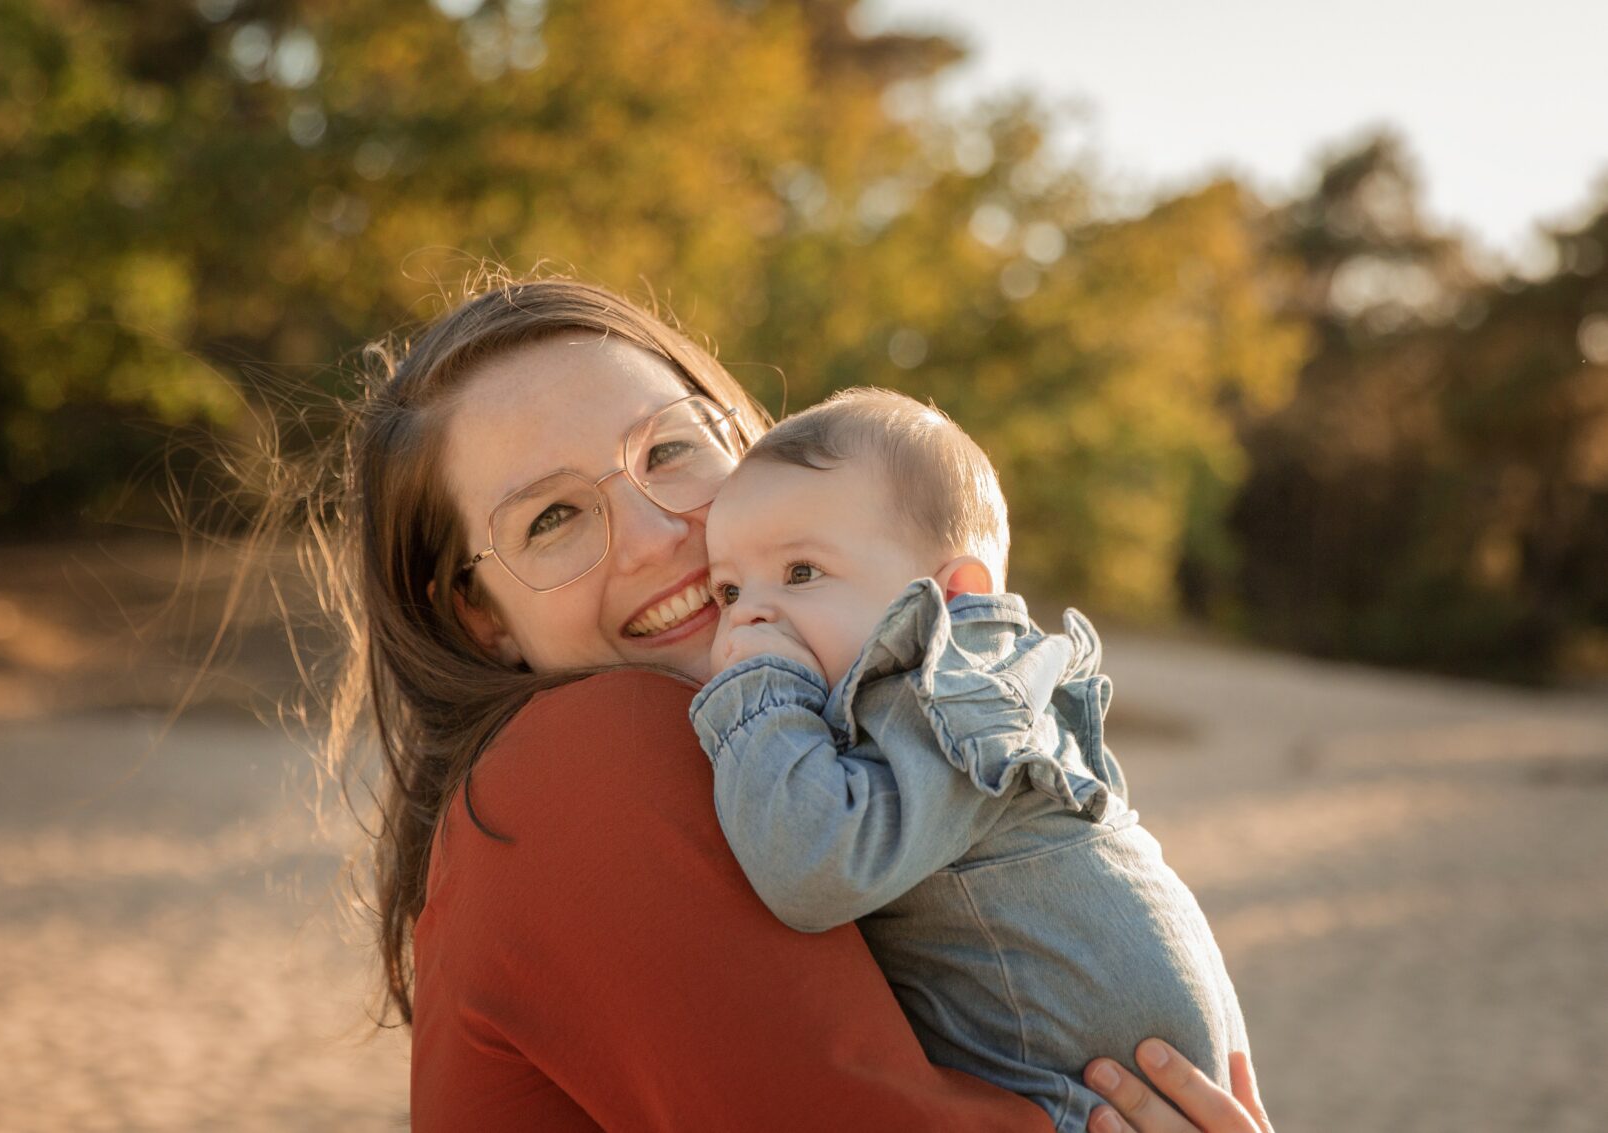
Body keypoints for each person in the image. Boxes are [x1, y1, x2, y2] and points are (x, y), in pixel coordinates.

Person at [326, 273, 1272, 1131]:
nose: (662, 539)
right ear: (480, 617)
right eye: (553, 517)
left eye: (669, 449)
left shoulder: (795, 749)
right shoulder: (577, 762)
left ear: (747, 441)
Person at [688, 388, 1247, 1132]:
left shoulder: (948, 692)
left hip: (1090, 1096)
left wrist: (758, 700)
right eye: (728, 588)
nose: (748, 613)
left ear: (956, 594)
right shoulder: (965, 689)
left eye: (800, 573)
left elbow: (815, 864)